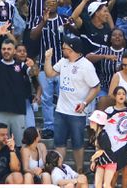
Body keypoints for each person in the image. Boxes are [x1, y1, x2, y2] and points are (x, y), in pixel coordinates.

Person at [41, 37, 100, 173]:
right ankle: (59, 170)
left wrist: (85, 103)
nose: (63, 50)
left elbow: (96, 87)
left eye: (65, 48)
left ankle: (79, 170)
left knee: (77, 144)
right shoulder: (63, 62)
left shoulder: (86, 65)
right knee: (59, 142)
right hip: (61, 110)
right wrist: (48, 58)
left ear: (73, 49)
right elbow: (49, 74)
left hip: (77, 112)